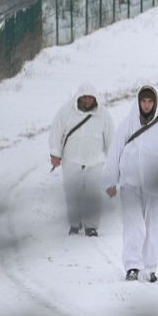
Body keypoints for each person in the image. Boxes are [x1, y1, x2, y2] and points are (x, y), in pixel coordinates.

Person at [106, 84, 158, 283]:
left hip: (156, 186)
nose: (147, 104)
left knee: (153, 227)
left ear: (155, 103)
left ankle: (149, 268)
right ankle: (132, 266)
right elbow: (114, 152)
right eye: (144, 101)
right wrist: (110, 180)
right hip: (129, 184)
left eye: (150, 101)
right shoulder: (127, 125)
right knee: (134, 226)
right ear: (138, 102)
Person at [48, 83, 112, 237]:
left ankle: (91, 227)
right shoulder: (66, 112)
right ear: (79, 98)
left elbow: (111, 138)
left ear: (95, 99)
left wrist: (113, 159)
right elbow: (55, 132)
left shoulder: (103, 115)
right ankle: (75, 225)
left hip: (95, 161)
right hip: (72, 159)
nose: (88, 100)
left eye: (91, 98)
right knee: (72, 192)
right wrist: (55, 154)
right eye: (85, 98)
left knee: (94, 193)